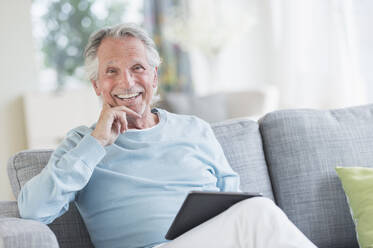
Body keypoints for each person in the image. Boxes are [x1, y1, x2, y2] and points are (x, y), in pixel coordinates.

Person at [17, 23, 317, 248]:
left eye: (138, 68)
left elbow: (233, 204)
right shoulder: (81, 143)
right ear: (97, 85)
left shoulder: (195, 130)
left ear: (154, 76)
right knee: (259, 211)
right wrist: (96, 143)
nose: (127, 81)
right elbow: (33, 210)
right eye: (111, 71)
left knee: (253, 212)